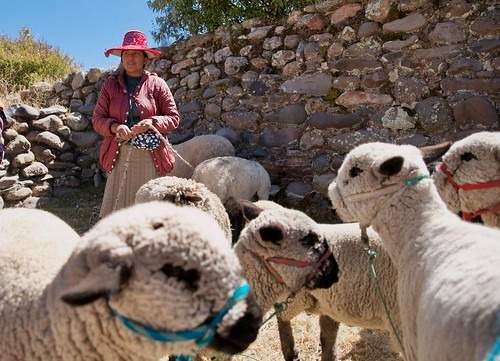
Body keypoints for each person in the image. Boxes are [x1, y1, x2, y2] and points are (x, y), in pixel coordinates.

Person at [92, 30, 180, 218]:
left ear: (145, 58)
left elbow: (173, 118)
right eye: (126, 54)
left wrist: (151, 122)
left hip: (151, 158)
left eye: (135, 54)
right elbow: (97, 119)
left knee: (151, 215)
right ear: (122, 57)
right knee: (119, 215)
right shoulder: (110, 86)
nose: (130, 58)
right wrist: (115, 127)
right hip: (120, 155)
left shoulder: (157, 84)